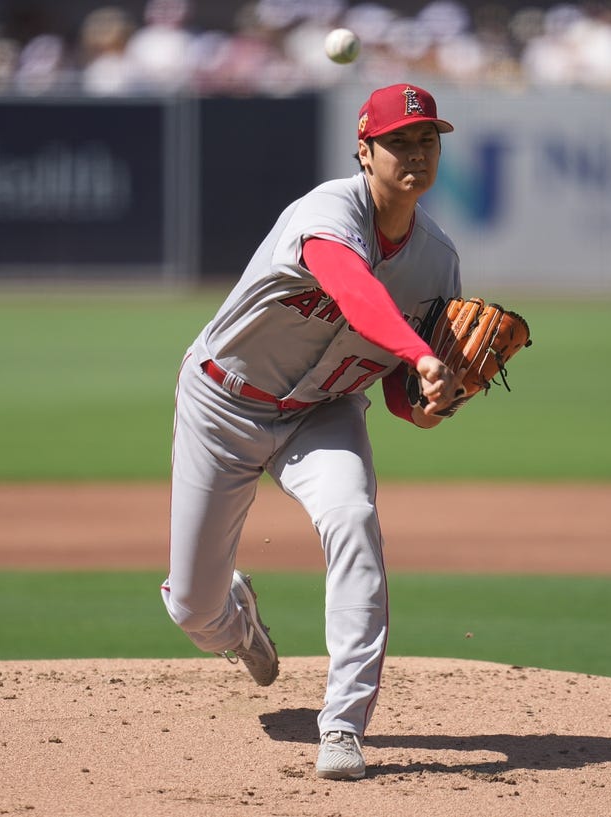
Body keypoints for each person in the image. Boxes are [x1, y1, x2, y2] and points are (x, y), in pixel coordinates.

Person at [161, 83, 463, 781]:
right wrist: (421, 352)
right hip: (223, 402)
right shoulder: (327, 209)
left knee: (353, 515)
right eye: (399, 141)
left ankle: (344, 726)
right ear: (364, 150)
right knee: (194, 611)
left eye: (428, 140)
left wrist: (432, 398)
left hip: (324, 410)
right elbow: (353, 289)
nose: (416, 152)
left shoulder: (438, 262)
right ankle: (237, 620)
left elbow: (397, 391)